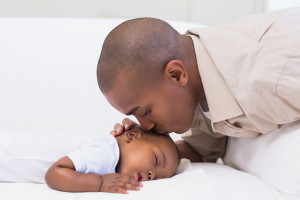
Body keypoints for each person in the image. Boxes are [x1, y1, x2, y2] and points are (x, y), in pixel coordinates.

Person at [97, 8, 300, 162]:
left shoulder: (274, 79)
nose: (147, 125)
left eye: (145, 111)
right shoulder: (196, 79)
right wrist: (139, 149)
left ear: (176, 74)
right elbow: (201, 150)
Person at [45, 126, 179, 194]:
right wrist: (100, 183)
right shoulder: (105, 152)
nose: (152, 175)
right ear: (131, 136)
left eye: (159, 178)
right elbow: (54, 173)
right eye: (156, 160)